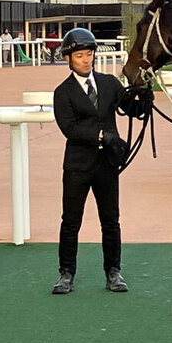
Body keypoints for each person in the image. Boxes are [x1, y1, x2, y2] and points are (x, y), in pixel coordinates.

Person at [51, 27, 128, 295]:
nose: (86, 60)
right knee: (71, 221)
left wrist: (142, 96)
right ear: (68, 59)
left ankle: (113, 272)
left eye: (89, 54)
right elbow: (69, 129)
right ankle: (66, 273)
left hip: (107, 164)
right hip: (77, 166)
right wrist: (101, 135)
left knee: (111, 220)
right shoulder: (63, 92)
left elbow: (130, 107)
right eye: (80, 55)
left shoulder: (109, 83)